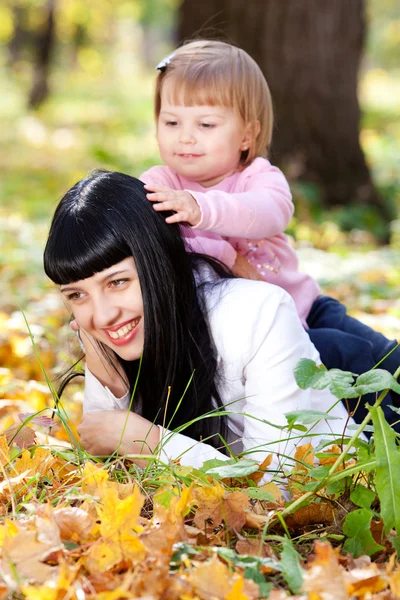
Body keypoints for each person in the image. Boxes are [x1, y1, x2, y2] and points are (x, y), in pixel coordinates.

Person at [140, 39, 400, 427]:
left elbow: (269, 213)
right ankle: (382, 434)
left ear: (247, 134)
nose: (186, 137)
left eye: (206, 124)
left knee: (384, 356)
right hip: (269, 338)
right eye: (171, 121)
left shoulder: (257, 176)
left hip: (309, 305)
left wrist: (201, 209)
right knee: (349, 359)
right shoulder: (158, 185)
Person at [44, 171, 359, 471]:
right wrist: (113, 387)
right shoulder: (109, 330)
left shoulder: (257, 313)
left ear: (158, 263)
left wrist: (146, 442)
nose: (102, 315)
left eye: (118, 282)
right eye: (76, 295)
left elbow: (274, 488)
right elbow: (109, 476)